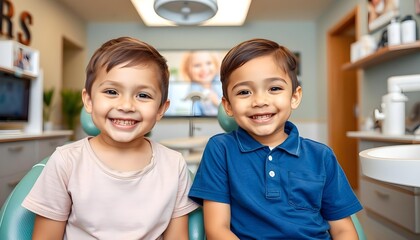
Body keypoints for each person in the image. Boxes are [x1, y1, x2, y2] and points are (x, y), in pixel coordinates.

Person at [22, 36, 198, 239]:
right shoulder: (66, 162)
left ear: (161, 109)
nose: (126, 106)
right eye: (112, 91)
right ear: (88, 100)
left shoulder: (174, 165)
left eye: (143, 95)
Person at [189, 38, 363, 239]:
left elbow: (343, 230)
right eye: (244, 92)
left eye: (274, 88)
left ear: (294, 97)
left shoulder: (321, 156)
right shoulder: (220, 149)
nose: (260, 101)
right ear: (228, 106)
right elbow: (217, 230)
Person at [180, 51, 222, 116]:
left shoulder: (222, 83)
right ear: (187, 70)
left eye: (208, 63)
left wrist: (217, 102)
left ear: (216, 64)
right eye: (197, 65)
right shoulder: (192, 92)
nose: (204, 69)